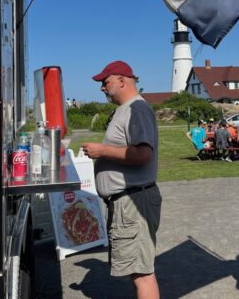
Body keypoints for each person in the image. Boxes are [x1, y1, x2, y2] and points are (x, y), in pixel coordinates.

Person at [81, 60, 161, 299]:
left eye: (106, 82)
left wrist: (102, 151)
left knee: (142, 273)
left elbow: (143, 154)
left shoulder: (137, 108)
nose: (102, 88)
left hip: (133, 202)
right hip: (127, 202)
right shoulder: (126, 109)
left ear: (122, 81)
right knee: (139, 271)